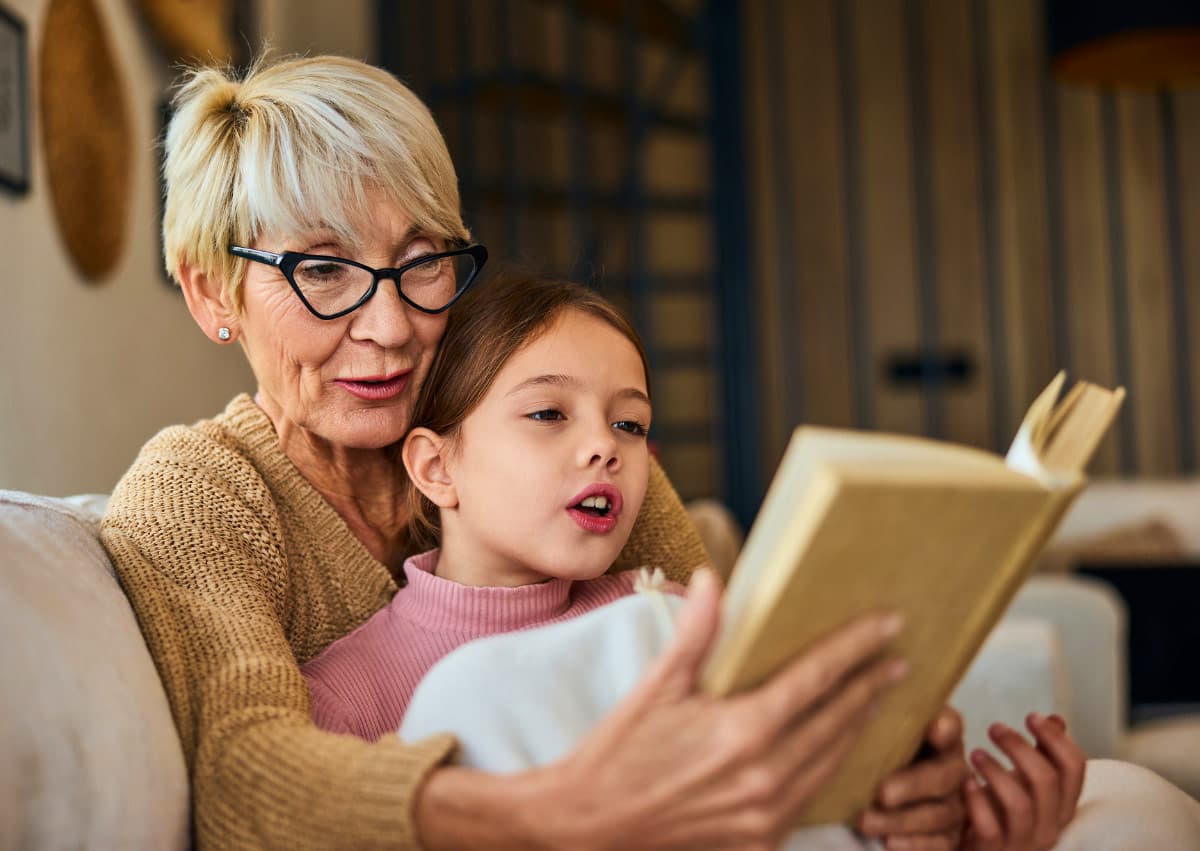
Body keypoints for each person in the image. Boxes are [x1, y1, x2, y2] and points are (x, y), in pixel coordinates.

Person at [95, 52, 992, 850]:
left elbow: (736, 660)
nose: (391, 323)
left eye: (421, 259)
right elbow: (244, 776)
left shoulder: (556, 439)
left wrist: (895, 760)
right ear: (212, 291)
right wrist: (549, 813)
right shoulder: (200, 491)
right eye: (322, 269)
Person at [302, 273, 1090, 851]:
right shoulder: (352, 690)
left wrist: (948, 825)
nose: (603, 445)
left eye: (631, 423)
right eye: (549, 413)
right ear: (437, 468)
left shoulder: (671, 619)